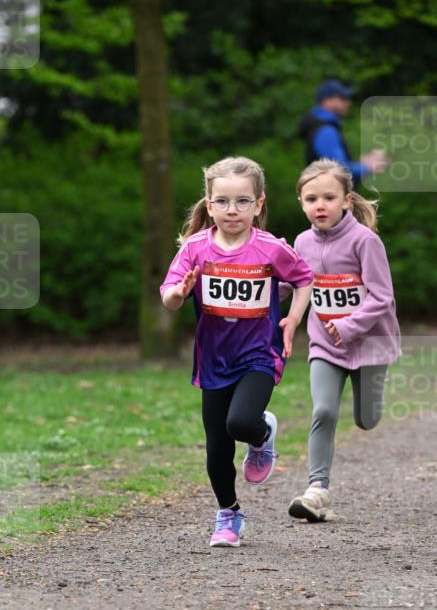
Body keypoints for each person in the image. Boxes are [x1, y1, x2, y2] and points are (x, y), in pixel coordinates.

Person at [160, 156, 313, 547]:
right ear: (209, 205)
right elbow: (169, 297)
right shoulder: (195, 249)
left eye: (242, 201)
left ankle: (261, 432)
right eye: (223, 201)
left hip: (260, 353)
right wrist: (179, 292)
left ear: (258, 204)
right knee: (217, 446)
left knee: (240, 423)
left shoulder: (270, 248)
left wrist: (293, 319)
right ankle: (228, 514)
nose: (232, 210)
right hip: (214, 359)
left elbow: (304, 279)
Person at [280, 158, 400, 522]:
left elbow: (382, 297)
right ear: (301, 202)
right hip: (325, 345)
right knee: (324, 411)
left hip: (370, 344)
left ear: (347, 200)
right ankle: (317, 490)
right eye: (311, 199)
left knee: (366, 420)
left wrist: (349, 325)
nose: (320, 205)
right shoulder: (302, 242)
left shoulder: (365, 241)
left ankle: (373, 392)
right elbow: (295, 285)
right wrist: (270, 275)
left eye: (329, 198)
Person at [298, 79, 388, 188]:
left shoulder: (323, 126)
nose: (348, 103)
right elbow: (340, 171)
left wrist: (362, 165)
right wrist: (368, 166)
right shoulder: (325, 131)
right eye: (342, 98)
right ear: (327, 101)